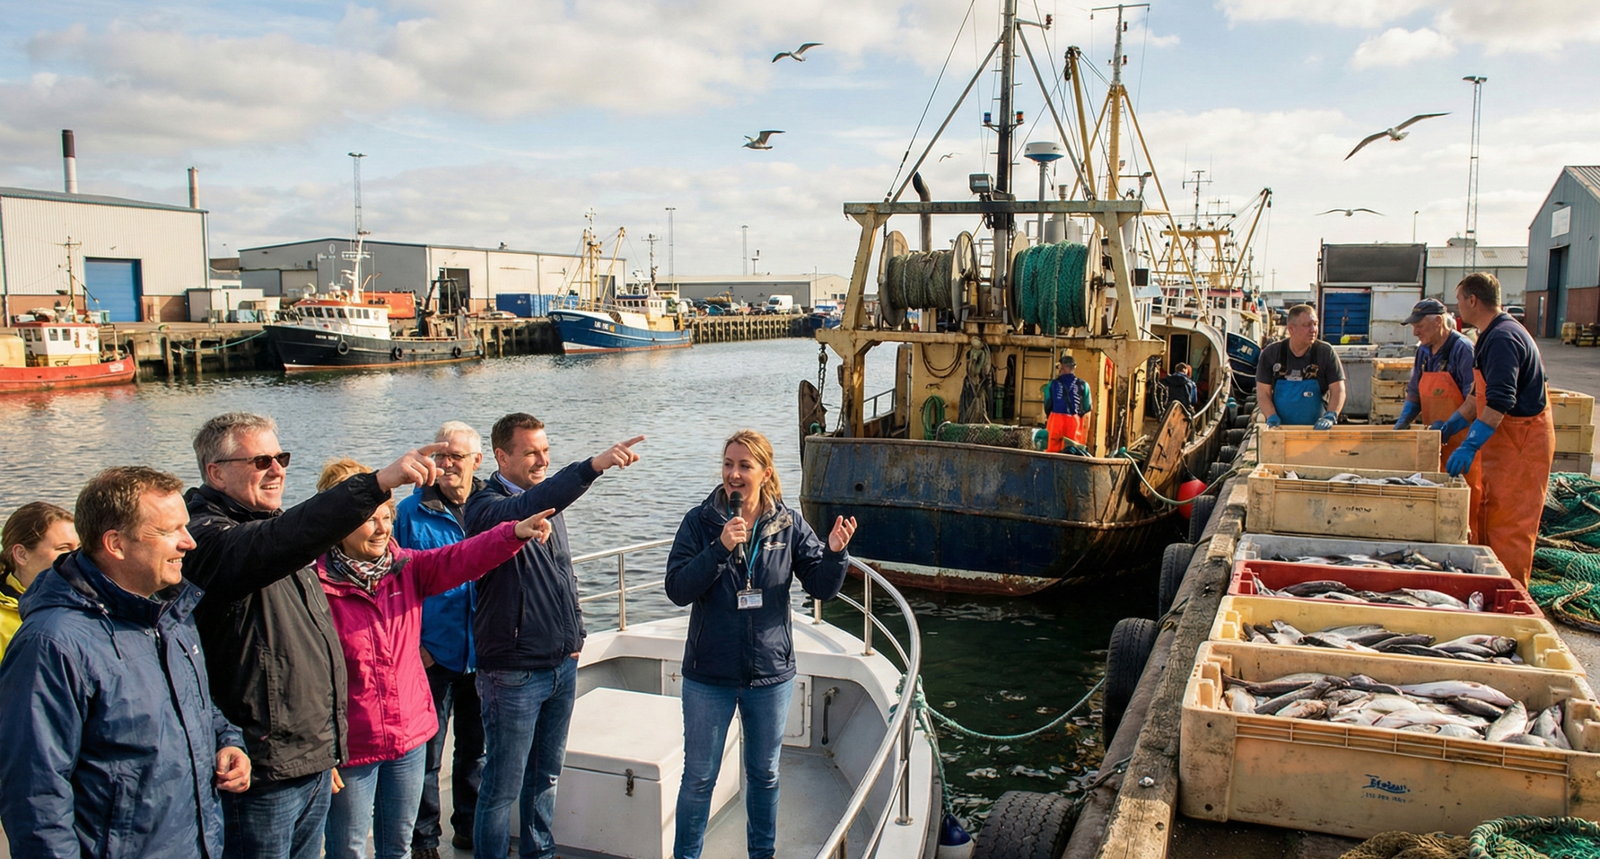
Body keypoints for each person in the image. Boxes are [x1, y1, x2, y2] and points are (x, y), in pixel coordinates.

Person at [181, 412, 447, 859]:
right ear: (216, 472)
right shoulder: (209, 539)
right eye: (261, 460)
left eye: (280, 457)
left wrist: (330, 750)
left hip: (310, 762)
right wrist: (376, 483)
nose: (278, 469)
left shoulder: (277, 531)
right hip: (262, 772)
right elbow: (275, 542)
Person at [0, 467, 251, 859]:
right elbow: (36, 796)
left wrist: (228, 742)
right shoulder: (51, 644)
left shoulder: (170, 613)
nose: (189, 543)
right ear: (115, 543)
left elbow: (198, 707)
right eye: (170, 531)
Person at [314, 457, 553, 859]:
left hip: (408, 735)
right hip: (351, 746)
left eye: (386, 515)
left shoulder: (404, 568)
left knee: (398, 846)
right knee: (349, 849)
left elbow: (462, 557)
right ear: (336, 521)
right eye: (369, 518)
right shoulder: (314, 585)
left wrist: (513, 533)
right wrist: (321, 752)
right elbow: (309, 678)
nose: (382, 527)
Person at [664, 429, 856, 859]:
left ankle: (761, 855)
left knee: (765, 774)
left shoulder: (787, 524)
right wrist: (718, 548)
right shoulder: (701, 522)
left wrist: (836, 554)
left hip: (769, 675)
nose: (734, 474)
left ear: (765, 473)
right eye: (729, 464)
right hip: (708, 675)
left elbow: (822, 588)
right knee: (698, 778)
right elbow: (677, 588)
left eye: (744, 466)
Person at [465, 414, 645, 859]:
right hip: (512, 674)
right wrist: (592, 467)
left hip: (561, 663)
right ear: (501, 456)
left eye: (546, 451)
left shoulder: (546, 502)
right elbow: (531, 505)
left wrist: (577, 633)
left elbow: (564, 573)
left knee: (545, 775)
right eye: (531, 452)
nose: (542, 460)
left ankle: (539, 853)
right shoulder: (485, 508)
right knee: (501, 787)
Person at [396, 422, 488, 858]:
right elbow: (396, 585)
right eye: (441, 456)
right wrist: (415, 645)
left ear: (478, 462)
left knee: (476, 750)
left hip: (485, 653)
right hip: (435, 653)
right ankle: (424, 840)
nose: (447, 464)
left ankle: (468, 828)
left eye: (457, 456)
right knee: (427, 756)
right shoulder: (409, 513)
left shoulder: (493, 506)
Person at [1438, 272, 1554, 584]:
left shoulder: (1503, 338)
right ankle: (1487, 585)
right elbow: (1479, 396)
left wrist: (1470, 444)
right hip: (1503, 443)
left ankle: (1511, 594)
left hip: (1522, 441)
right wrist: (1452, 425)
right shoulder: (1488, 335)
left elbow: (1501, 400)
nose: (1457, 306)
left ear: (1473, 300)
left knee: (1510, 526)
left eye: (1460, 299)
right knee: (1489, 515)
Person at [1392, 298, 1484, 532]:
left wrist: (1450, 426)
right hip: (1434, 442)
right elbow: (1414, 392)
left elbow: (1474, 401)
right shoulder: (1423, 351)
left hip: (1463, 443)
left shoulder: (1462, 349)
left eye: (1419, 326)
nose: (1416, 332)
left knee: (1465, 500)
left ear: (1438, 322)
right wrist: (1403, 421)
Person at [0, 502, 77, 659]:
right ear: (22, 554)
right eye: (63, 548)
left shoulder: (94, 606)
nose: (77, 556)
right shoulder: (3, 622)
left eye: (80, 547)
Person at [1256, 304, 1346, 429]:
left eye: (1315, 324)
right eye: (1307, 325)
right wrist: (1271, 416)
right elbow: (1263, 392)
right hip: (1281, 430)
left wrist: (1330, 415)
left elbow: (1338, 390)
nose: (1313, 329)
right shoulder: (1271, 353)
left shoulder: (1325, 352)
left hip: (1317, 431)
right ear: (1291, 329)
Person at [1044, 354, 1092, 452]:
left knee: (1052, 450)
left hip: (1055, 420)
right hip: (1074, 422)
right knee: (1072, 450)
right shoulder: (1084, 385)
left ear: (1061, 367)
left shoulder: (1052, 384)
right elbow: (1087, 407)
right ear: (1074, 367)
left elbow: (1047, 404)